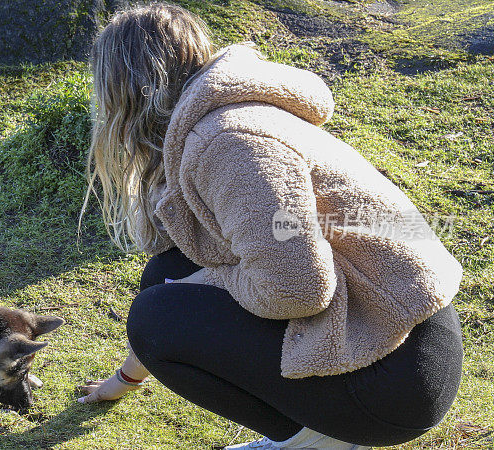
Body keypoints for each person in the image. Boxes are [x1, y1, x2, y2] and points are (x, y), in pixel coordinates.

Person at [76, 3, 464, 449]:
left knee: (157, 315)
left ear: (127, 89)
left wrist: (205, 284)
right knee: (167, 277)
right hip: (395, 330)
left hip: (397, 378)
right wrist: (125, 379)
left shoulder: (227, 141)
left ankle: (319, 441)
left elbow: (297, 287)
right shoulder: (229, 117)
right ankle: (318, 432)